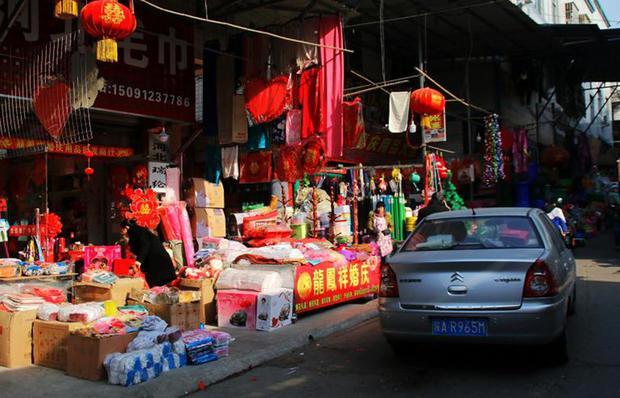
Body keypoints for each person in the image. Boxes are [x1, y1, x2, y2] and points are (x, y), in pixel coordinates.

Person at [120, 219, 176, 287]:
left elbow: (145, 245)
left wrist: (139, 261)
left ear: (126, 227)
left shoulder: (136, 232)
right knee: (162, 284)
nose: (121, 232)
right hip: (158, 261)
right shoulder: (138, 231)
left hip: (157, 262)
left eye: (122, 229)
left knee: (159, 285)